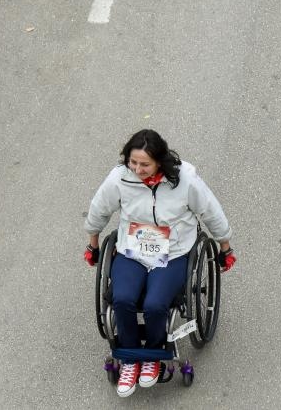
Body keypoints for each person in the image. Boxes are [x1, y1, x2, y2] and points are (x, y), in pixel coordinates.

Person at [83, 129, 236, 397]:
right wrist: (93, 244)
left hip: (174, 252)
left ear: (159, 161)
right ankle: (130, 360)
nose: (137, 169)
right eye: (133, 162)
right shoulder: (119, 178)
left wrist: (224, 245)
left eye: (144, 164)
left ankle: (153, 358)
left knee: (155, 305)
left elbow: (209, 209)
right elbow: (99, 209)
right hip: (133, 251)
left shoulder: (184, 179)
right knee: (121, 299)